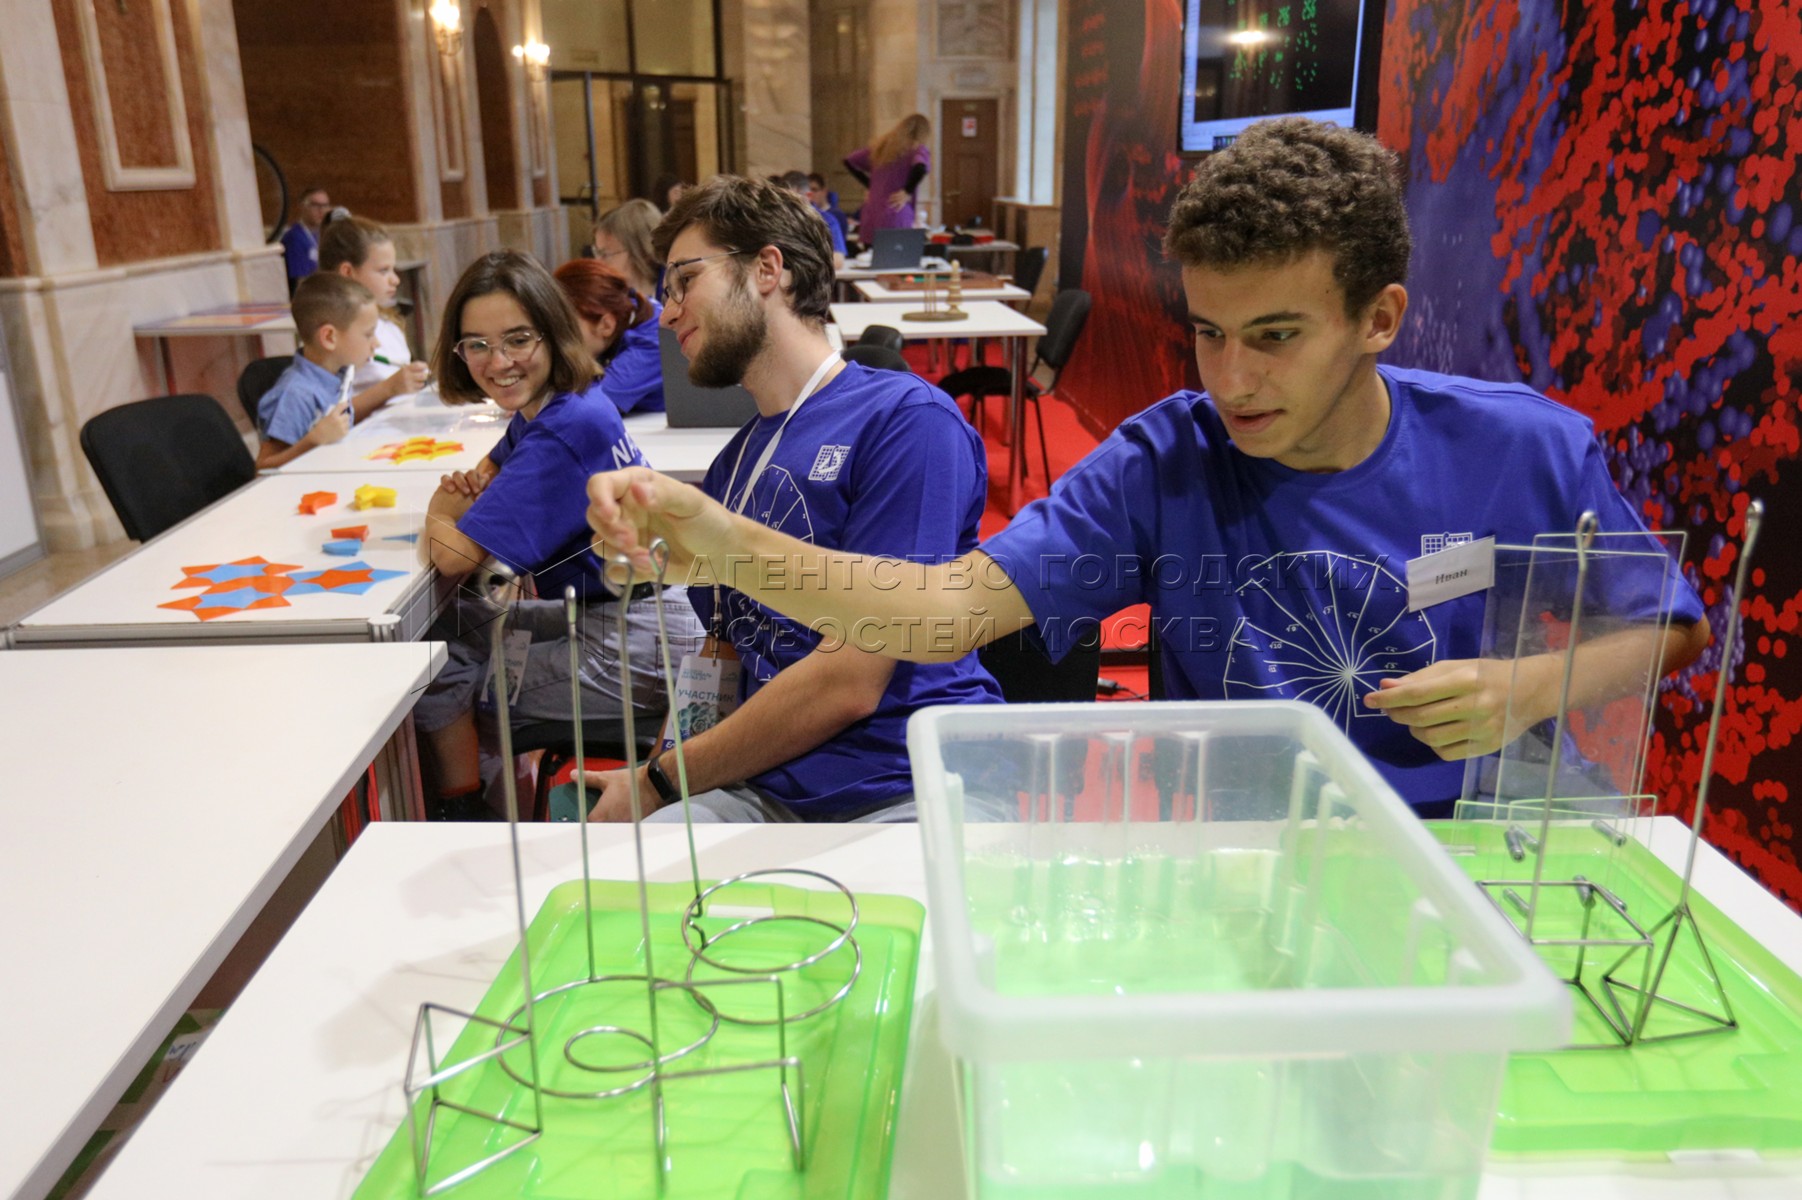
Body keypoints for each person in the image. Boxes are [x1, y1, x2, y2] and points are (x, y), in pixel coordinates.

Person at [586, 118, 1711, 816]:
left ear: (1377, 318)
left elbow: (1669, 627)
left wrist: (1525, 688)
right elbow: (934, 613)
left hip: (1459, 847)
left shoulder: (1520, 445)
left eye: (1273, 336)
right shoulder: (1166, 458)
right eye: (1206, 334)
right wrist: (728, 544)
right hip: (1231, 854)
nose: (1229, 380)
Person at [577, 174, 1001, 825]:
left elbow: (852, 681)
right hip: (765, 786)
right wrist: (652, 785)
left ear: (768, 268)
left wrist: (661, 781)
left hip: (906, 781)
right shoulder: (735, 462)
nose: (667, 313)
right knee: (632, 883)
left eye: (684, 280)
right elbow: (717, 653)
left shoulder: (906, 421)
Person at [415, 250, 703, 820]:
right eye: (476, 344)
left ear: (551, 333)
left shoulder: (566, 428)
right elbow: (489, 474)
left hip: (640, 638)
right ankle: (478, 803)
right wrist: (463, 501)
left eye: (517, 339)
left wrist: (437, 513)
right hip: (625, 609)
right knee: (454, 633)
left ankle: (467, 816)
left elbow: (454, 558)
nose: (497, 362)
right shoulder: (556, 406)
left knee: (448, 682)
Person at [254, 273, 381, 469]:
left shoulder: (338, 375)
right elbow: (264, 468)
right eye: (368, 334)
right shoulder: (295, 394)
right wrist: (314, 440)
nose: (376, 344)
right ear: (329, 337)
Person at [318, 216, 431, 402]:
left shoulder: (389, 323)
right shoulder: (333, 336)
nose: (395, 280)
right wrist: (388, 389)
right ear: (348, 272)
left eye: (393, 270)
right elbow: (331, 416)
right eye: (383, 270)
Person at [553, 257, 665, 416]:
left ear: (606, 325)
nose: (557, 338)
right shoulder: (625, 309)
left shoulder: (652, 343)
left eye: (567, 328)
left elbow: (588, 406)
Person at [845, 114, 931, 237]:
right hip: (896, 214)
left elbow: (849, 161)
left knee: (869, 255)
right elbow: (920, 168)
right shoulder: (917, 149)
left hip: (871, 215)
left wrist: (870, 185)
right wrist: (907, 191)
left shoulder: (880, 148)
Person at [593, 199, 663, 297]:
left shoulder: (674, 296)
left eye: (605, 254)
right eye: (597, 253)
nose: (598, 263)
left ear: (642, 252)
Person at [778, 170, 846, 269]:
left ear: (808, 196)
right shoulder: (777, 219)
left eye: (793, 201)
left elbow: (837, 260)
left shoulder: (827, 221)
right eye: (784, 200)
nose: (788, 206)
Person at [280, 186, 331, 291]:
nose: (321, 210)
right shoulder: (294, 238)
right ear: (303, 207)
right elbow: (301, 282)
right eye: (315, 205)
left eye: (325, 205)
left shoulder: (321, 234)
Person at [806, 171, 852, 250]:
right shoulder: (805, 213)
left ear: (824, 191)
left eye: (814, 189)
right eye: (808, 190)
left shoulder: (836, 215)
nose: (811, 194)